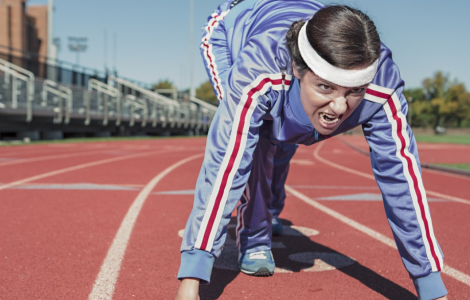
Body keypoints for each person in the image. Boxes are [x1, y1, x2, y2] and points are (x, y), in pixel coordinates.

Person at [175, 0, 448, 299]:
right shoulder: (258, 70)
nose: (340, 107)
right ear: (298, 69)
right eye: (326, 87)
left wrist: (430, 283)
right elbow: (226, 164)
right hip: (232, 33)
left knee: (286, 140)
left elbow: (402, 180)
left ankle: (271, 209)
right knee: (255, 142)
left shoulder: (382, 84)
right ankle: (254, 237)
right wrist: (193, 275)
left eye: (354, 90)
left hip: (296, 32)